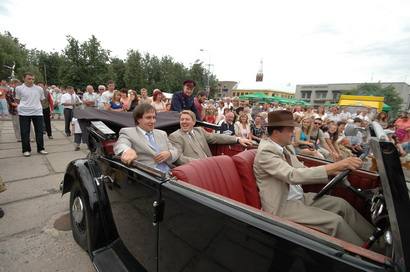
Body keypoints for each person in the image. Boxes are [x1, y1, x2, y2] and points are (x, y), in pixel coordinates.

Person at [253, 110, 374, 246]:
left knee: (342, 205)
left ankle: (378, 242)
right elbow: (292, 175)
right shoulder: (266, 151)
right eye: (290, 130)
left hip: (299, 198)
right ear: (276, 132)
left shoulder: (284, 148)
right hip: (283, 206)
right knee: (335, 222)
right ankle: (368, 256)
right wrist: (336, 166)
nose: (293, 133)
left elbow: (302, 169)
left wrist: (334, 172)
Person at [169, 110, 253, 165]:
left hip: (211, 163)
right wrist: (199, 163)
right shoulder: (175, 136)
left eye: (187, 119)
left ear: (194, 122)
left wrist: (237, 139)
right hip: (195, 169)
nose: (184, 122)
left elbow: (216, 137)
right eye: (182, 119)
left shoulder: (199, 130)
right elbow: (178, 158)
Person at [114, 103, 178, 172]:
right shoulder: (128, 132)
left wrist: (169, 154)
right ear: (138, 119)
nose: (153, 121)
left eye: (154, 117)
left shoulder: (162, 133)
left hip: (170, 173)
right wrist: (127, 150)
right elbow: (120, 144)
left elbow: (174, 151)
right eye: (148, 117)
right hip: (148, 176)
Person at [15, 72, 48, 156]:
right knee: (25, 132)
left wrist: (35, 105)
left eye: (33, 79)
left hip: (37, 112)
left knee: (39, 131)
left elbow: (42, 100)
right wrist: (25, 105)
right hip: (24, 112)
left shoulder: (39, 89)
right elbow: (17, 100)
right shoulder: (19, 88)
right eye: (29, 79)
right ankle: (26, 150)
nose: (31, 80)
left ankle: (41, 148)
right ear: (24, 79)